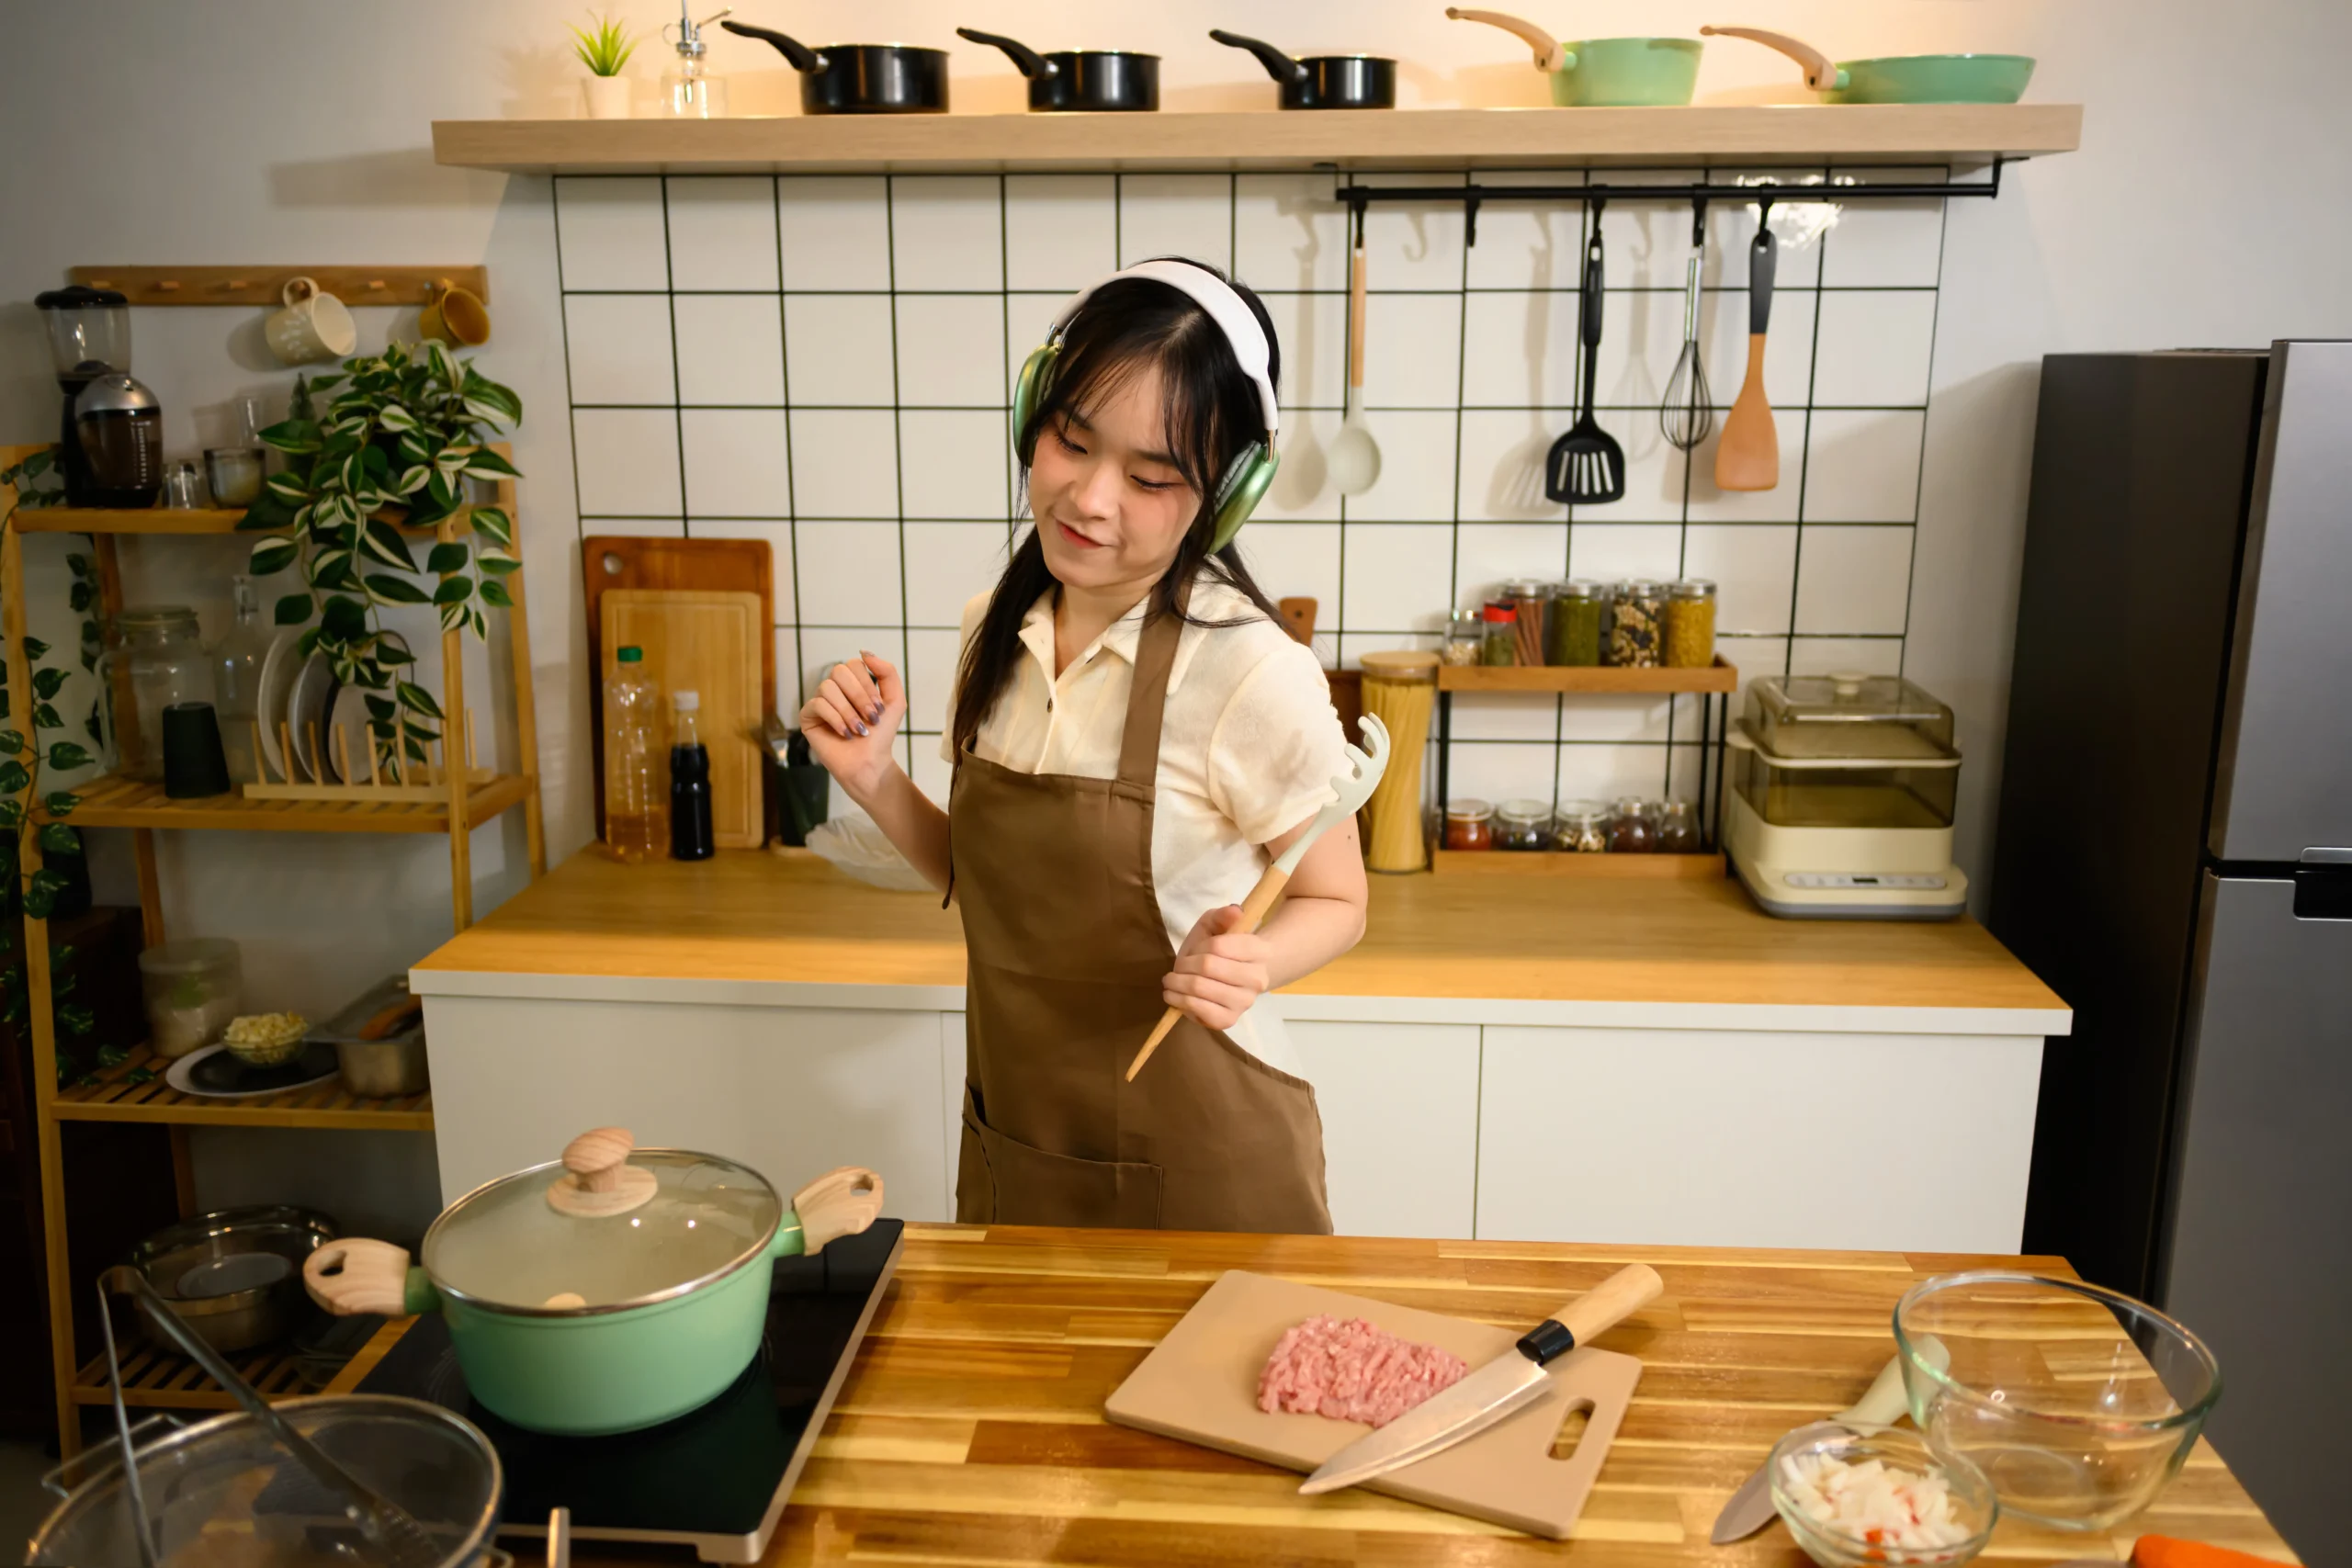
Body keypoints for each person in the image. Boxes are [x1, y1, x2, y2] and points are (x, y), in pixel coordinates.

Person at [797, 258, 1366, 1234]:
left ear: (1225, 495)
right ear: (1034, 412)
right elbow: (984, 880)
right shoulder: (996, 625)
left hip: (1206, 1163)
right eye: (1072, 439)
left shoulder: (1249, 671)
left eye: (1150, 476)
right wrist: (872, 778)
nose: (1091, 499)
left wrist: (1258, 962)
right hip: (1022, 1140)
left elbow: (1337, 898)